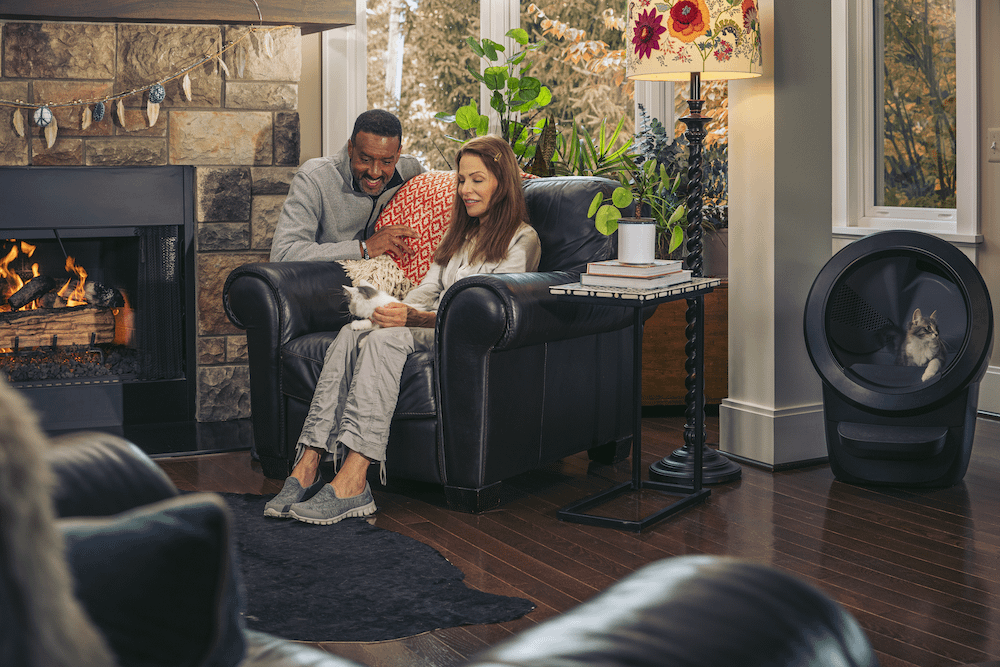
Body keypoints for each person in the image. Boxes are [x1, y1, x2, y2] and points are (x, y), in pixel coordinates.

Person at [264, 135, 541, 524]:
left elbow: (490, 313)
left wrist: (411, 320)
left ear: (503, 181)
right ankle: (307, 462)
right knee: (354, 331)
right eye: (462, 180)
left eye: (477, 180)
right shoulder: (460, 233)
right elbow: (428, 288)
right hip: (426, 322)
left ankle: (355, 478)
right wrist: (394, 309)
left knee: (385, 338)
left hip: (459, 338)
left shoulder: (521, 239)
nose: (465, 190)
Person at [269, 109, 426, 262]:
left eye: (386, 162)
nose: (375, 172)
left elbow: (447, 195)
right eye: (365, 160)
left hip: (386, 282)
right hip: (329, 283)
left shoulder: (411, 169)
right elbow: (283, 253)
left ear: (398, 154)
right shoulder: (313, 177)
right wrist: (363, 248)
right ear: (351, 148)